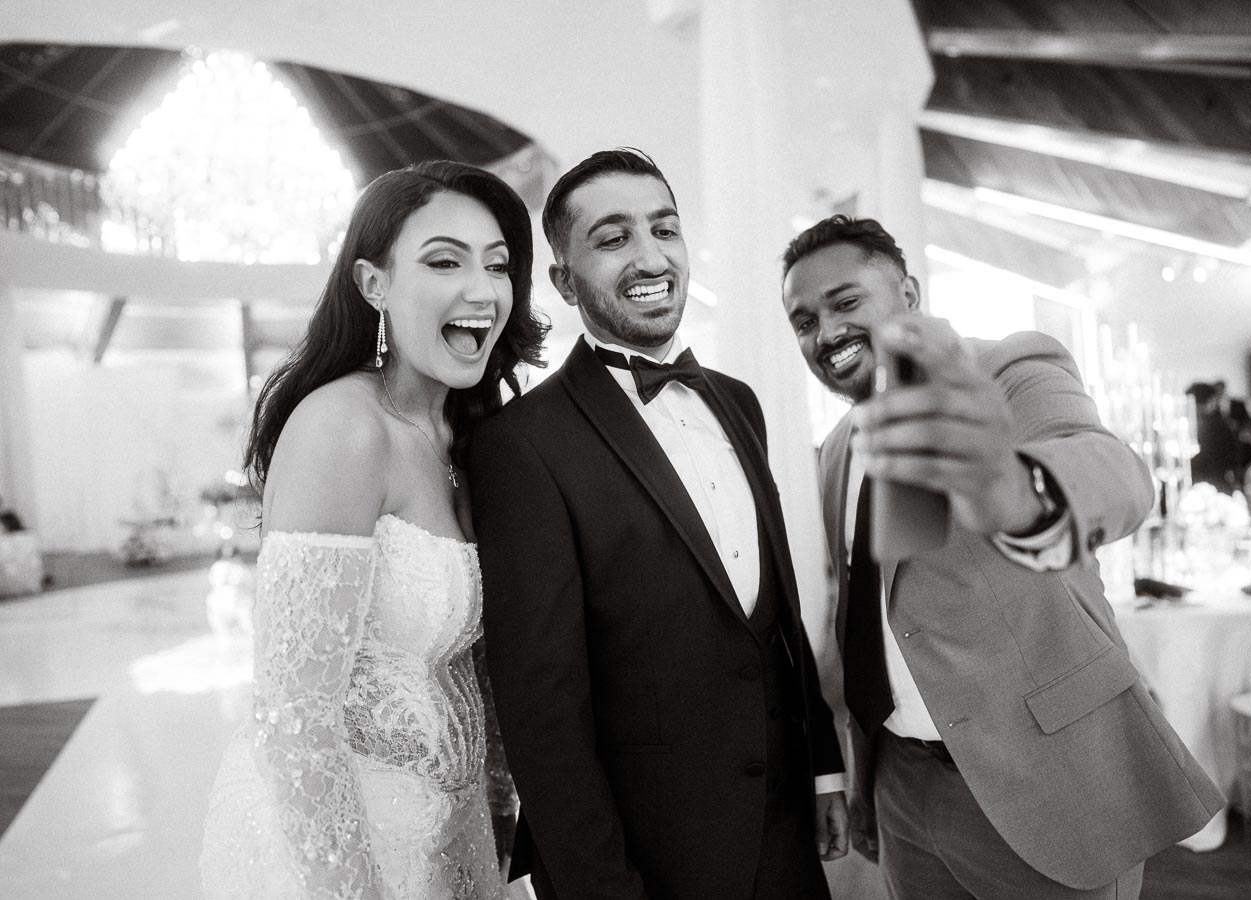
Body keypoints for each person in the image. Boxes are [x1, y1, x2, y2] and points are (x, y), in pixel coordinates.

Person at [779, 215, 1224, 900]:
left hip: (1043, 776)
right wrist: (854, 770)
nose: (826, 333)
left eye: (845, 302)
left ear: (909, 295)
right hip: (902, 781)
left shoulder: (1005, 369)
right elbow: (859, 615)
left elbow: (1112, 471)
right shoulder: (837, 450)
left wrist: (1016, 490)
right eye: (804, 321)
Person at [468, 149, 847, 900]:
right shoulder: (520, 446)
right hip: (656, 857)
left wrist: (821, 765)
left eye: (664, 229)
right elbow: (542, 711)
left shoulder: (739, 403)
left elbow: (773, 615)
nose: (650, 256)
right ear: (564, 282)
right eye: (612, 239)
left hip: (787, 837)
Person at [199, 160, 547, 899]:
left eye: (498, 265)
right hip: (332, 850)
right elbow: (296, 717)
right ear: (373, 285)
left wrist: (492, 815)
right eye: (444, 261)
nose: (482, 290)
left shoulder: (466, 433)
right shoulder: (343, 428)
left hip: (449, 840)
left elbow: (465, 669)